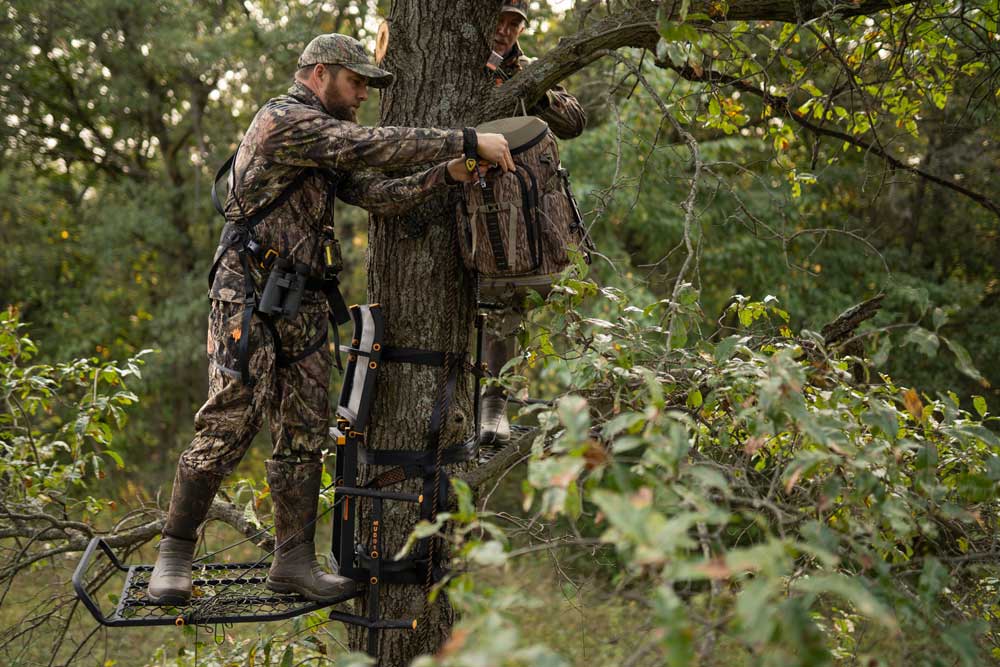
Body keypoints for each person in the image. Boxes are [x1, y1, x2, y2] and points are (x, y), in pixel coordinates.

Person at [148, 33, 514, 605]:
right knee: (227, 423)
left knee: (305, 431)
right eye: (357, 80)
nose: (365, 92)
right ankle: (174, 552)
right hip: (245, 294)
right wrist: (470, 138)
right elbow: (370, 146)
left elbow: (377, 191)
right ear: (320, 73)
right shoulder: (286, 121)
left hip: (305, 299)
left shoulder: (325, 143)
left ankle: (292, 560)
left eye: (368, 83)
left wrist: (448, 173)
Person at [479, 0, 587, 446]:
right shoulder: (453, 63)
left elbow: (574, 121)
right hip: (462, 191)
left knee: (511, 303)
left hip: (515, 211)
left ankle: (493, 407)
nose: (505, 31)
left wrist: (534, 88)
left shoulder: (526, 68)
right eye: (499, 22)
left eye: (514, 24)